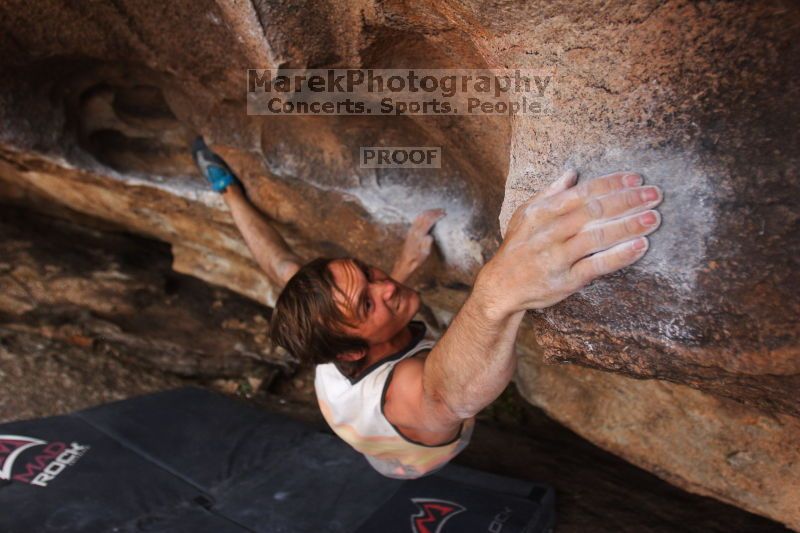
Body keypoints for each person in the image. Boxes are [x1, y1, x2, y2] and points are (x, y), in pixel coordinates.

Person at [193, 137, 663, 479]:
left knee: (286, 272)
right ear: (352, 352)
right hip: (401, 458)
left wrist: (229, 189)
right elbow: (444, 397)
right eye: (367, 302)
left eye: (372, 274)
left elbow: (277, 263)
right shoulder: (404, 398)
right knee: (391, 450)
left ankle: (221, 186)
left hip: (341, 402)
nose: (387, 287)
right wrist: (498, 290)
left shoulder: (334, 335)